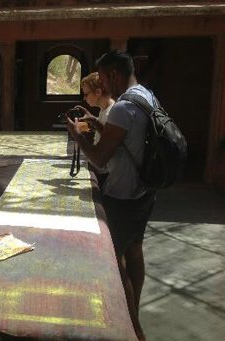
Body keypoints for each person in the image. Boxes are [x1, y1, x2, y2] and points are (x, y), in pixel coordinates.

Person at [66, 50, 156, 341]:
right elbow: (125, 139)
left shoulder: (120, 107)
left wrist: (77, 134)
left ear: (114, 75)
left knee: (115, 261)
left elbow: (100, 159)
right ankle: (136, 312)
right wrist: (98, 124)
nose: (103, 85)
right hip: (145, 189)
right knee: (135, 250)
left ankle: (130, 327)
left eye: (104, 78)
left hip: (121, 192)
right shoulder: (145, 97)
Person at [76, 72, 115, 188]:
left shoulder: (111, 113)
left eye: (86, 94)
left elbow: (109, 140)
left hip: (107, 173)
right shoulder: (104, 110)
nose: (84, 98)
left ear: (98, 92)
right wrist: (93, 120)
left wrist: (76, 133)